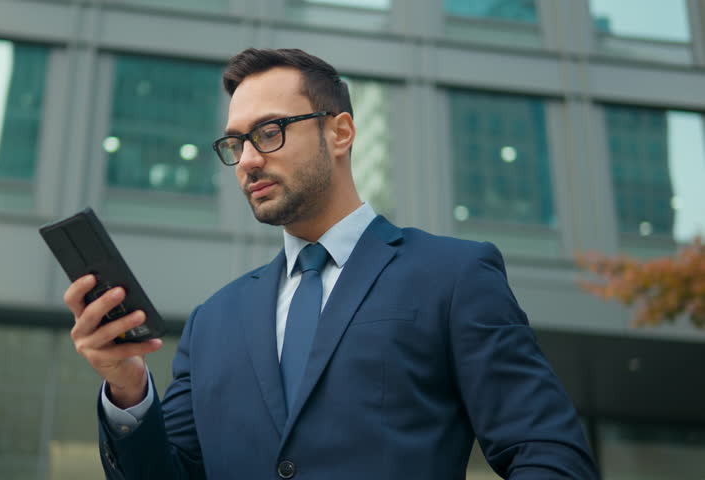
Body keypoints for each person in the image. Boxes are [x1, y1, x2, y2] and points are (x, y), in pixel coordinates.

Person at [64, 48, 599, 479]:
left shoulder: (453, 276)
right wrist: (127, 385)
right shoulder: (213, 322)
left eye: (269, 132)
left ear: (340, 132)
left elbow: (550, 455)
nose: (248, 159)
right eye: (235, 143)